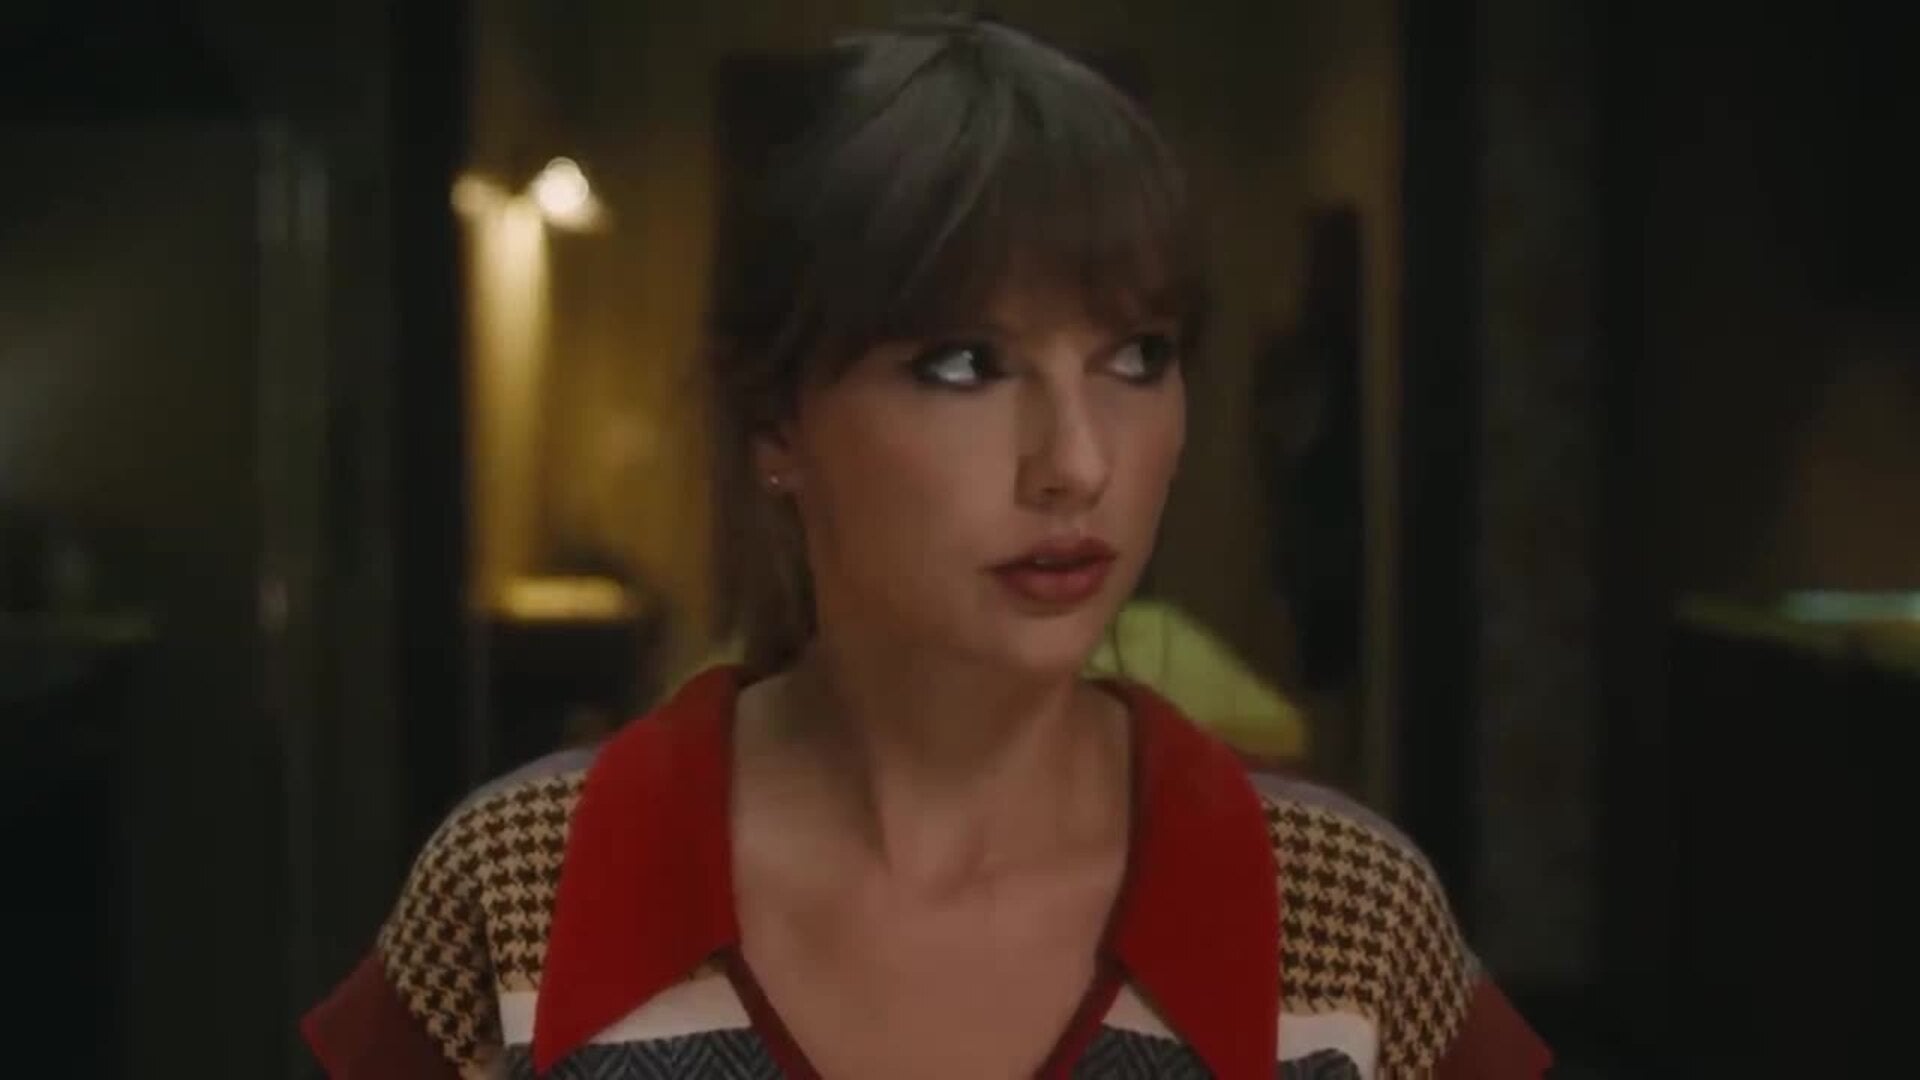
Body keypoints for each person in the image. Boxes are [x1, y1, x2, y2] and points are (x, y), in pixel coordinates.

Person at [302, 15, 1550, 1079]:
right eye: (965, 364)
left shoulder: (1341, 918)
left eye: (1136, 357)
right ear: (775, 422)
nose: (1078, 461)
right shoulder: (525, 888)